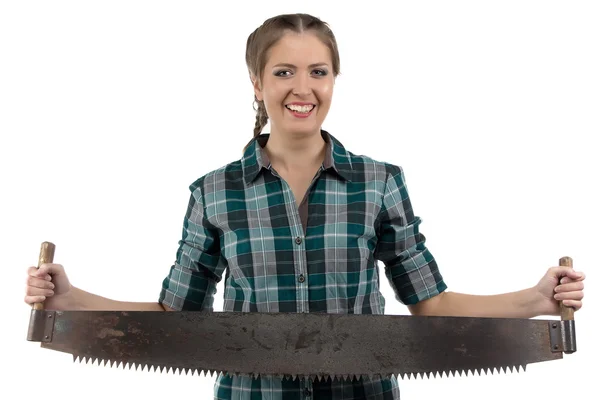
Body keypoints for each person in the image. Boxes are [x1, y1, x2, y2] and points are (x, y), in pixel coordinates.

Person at [24, 12, 585, 400]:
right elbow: (177, 320)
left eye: (318, 71)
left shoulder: (379, 182)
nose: (303, 88)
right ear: (256, 81)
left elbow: (431, 307)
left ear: (334, 78)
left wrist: (535, 298)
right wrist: (72, 301)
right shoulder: (213, 192)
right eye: (284, 71)